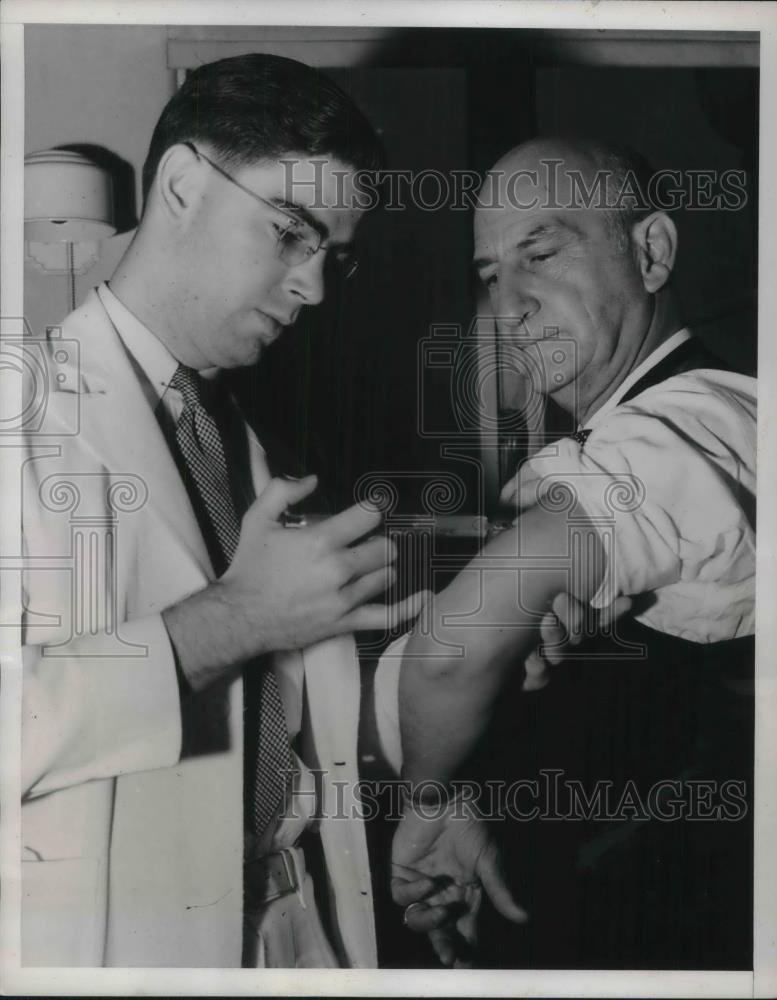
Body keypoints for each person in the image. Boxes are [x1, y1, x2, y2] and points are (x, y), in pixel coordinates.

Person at [20, 53, 443, 970]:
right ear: (180, 185)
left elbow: (303, 729)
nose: (315, 288)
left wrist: (462, 652)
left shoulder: (267, 460)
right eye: (291, 232)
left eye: (335, 254)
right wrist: (231, 620)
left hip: (297, 929)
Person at [382, 137, 756, 968]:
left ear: (650, 251)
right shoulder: (609, 446)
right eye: (488, 275)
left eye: (540, 254)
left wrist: (427, 802)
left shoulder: (700, 425)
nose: (506, 305)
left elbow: (450, 652)